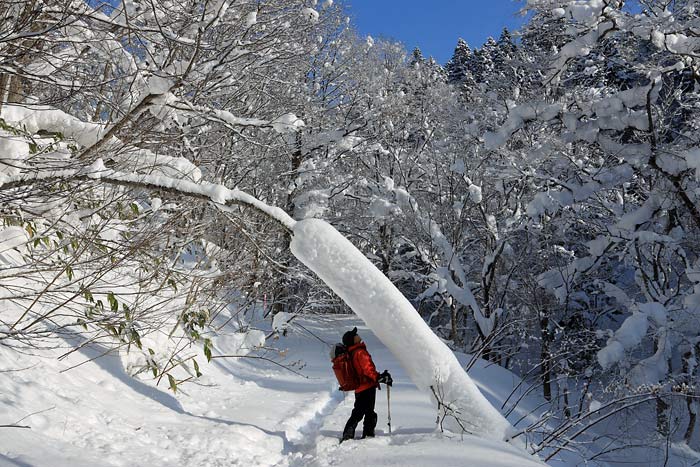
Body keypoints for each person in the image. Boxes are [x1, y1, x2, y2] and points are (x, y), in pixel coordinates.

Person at [341, 327, 392, 442]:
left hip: (361, 387)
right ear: (352, 340)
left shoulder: (354, 351)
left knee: (364, 411)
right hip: (366, 386)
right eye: (355, 335)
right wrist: (379, 377)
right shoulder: (360, 352)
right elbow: (367, 369)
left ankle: (366, 433)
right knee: (362, 412)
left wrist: (379, 376)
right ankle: (353, 434)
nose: (357, 335)